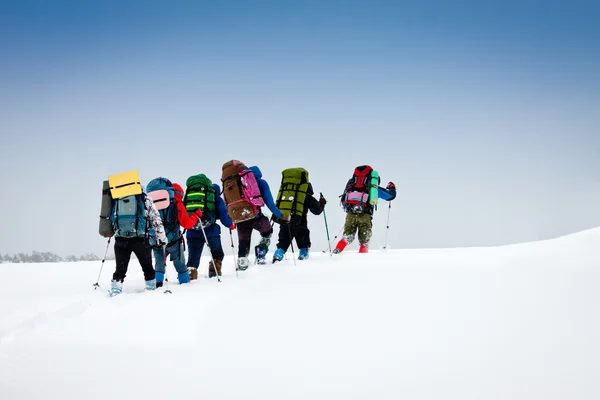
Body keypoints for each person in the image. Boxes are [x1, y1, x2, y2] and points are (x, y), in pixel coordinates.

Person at [109, 187, 168, 296]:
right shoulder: (144, 198)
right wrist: (162, 237)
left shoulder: (117, 198)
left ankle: (115, 292)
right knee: (148, 268)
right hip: (140, 239)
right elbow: (156, 219)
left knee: (120, 269)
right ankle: (151, 291)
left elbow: (110, 217)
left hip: (121, 239)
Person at [150, 181, 203, 288]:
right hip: (174, 241)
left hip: (157, 240)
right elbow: (187, 224)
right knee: (180, 266)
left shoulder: (152, 204)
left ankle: (157, 286)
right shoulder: (177, 204)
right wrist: (196, 215)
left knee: (159, 265)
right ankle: (185, 286)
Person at [233, 166, 288, 269]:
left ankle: (242, 264)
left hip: (240, 219)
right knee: (267, 232)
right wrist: (279, 215)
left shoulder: (237, 183)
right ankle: (261, 253)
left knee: (243, 242)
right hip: (255, 217)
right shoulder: (260, 182)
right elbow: (269, 202)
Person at [333, 165, 396, 254]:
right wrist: (392, 187)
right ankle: (362, 259)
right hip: (365, 215)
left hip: (351, 214)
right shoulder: (372, 187)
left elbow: (343, 199)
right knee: (364, 240)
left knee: (347, 237)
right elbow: (390, 196)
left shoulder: (352, 184)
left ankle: (336, 252)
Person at [185, 183, 234, 279]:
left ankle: (190, 277)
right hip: (211, 232)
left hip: (192, 231)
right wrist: (230, 224)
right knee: (218, 254)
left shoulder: (192, 197)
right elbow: (223, 213)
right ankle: (214, 272)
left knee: (193, 259)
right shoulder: (216, 198)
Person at [272, 183, 327, 262]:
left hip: (285, 222)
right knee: (303, 244)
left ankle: (277, 257)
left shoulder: (288, 195)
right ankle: (303, 257)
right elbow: (317, 211)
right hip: (300, 224)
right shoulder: (307, 197)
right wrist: (322, 202)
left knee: (282, 243)